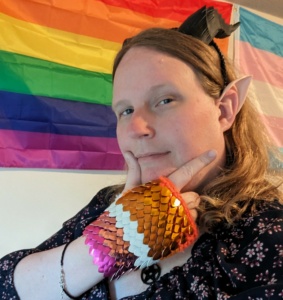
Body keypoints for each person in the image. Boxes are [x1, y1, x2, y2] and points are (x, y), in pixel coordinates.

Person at [1, 6, 282, 300]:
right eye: (125, 110)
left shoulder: (267, 238)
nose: (136, 127)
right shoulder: (111, 204)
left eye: (164, 100)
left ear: (224, 109)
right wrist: (108, 245)